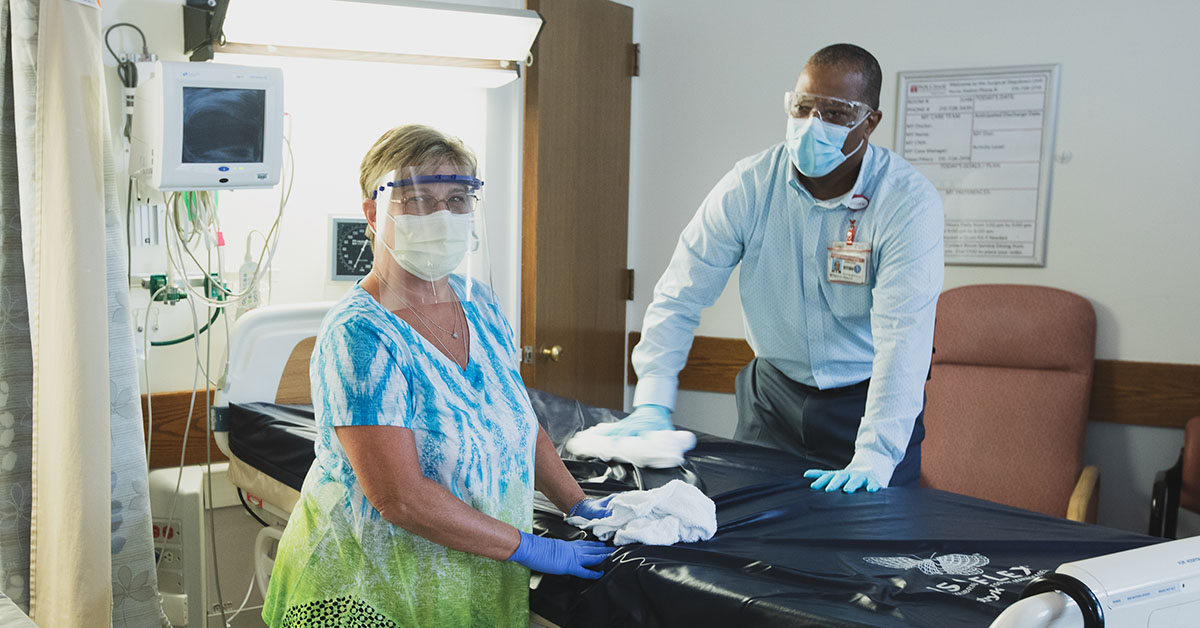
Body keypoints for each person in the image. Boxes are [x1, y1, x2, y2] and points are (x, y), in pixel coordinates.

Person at [262, 125, 615, 628]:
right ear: (372, 214)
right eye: (417, 199)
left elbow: (516, 419)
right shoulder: (360, 334)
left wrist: (578, 504)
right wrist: (531, 548)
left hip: (472, 581)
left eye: (456, 199)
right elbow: (399, 497)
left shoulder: (482, 306)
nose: (441, 216)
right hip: (368, 594)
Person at [614, 44, 944, 494]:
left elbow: (903, 339)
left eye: (835, 112)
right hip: (772, 399)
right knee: (748, 540)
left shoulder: (905, 202)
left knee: (868, 548)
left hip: (865, 402)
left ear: (871, 121)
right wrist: (652, 395)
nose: (813, 125)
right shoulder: (750, 184)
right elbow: (682, 290)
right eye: (803, 107)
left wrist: (876, 453)